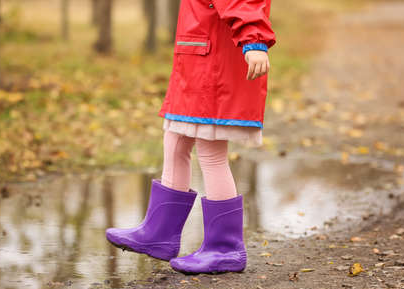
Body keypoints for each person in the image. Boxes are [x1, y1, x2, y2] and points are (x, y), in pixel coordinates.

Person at [106, 0, 276, 274]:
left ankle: (225, 248)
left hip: (214, 62)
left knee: (211, 151)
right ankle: (159, 233)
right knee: (175, 138)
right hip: (195, 58)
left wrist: (254, 40)